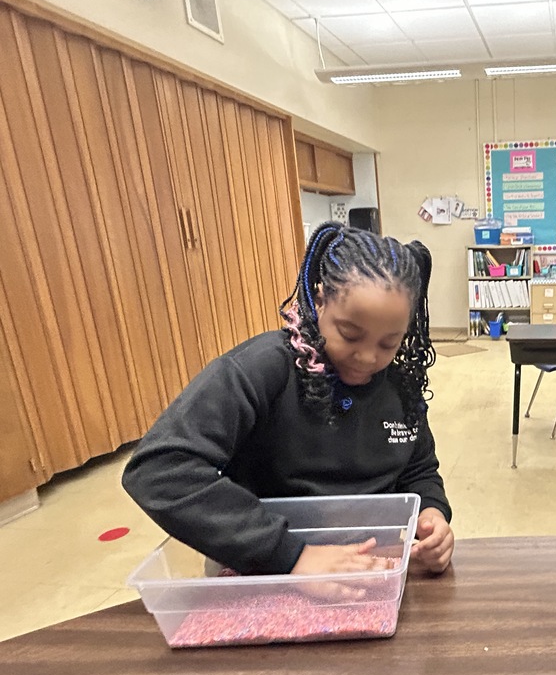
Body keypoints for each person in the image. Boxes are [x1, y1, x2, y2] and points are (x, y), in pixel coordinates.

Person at [123, 223, 454, 578]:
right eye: (349, 334)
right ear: (320, 299)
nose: (368, 358)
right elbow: (160, 469)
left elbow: (419, 471)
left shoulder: (401, 384)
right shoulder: (261, 368)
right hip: (263, 567)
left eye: (389, 343)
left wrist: (431, 515)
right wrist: (291, 556)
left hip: (373, 568)